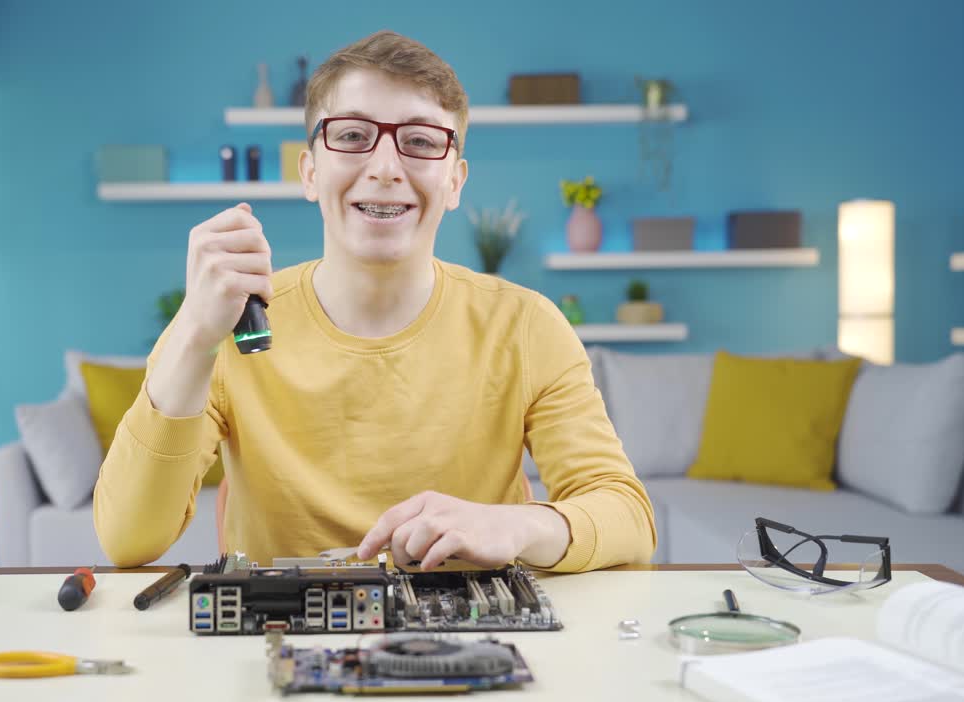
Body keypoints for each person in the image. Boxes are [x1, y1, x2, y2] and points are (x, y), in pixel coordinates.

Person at [94, 30, 655, 572]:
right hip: (274, 650)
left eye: (419, 142)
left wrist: (515, 525)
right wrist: (194, 336)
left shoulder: (526, 325)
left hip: (475, 646)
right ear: (309, 171)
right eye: (353, 136)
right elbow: (127, 540)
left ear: (455, 182)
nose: (385, 168)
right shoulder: (222, 326)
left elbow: (627, 516)